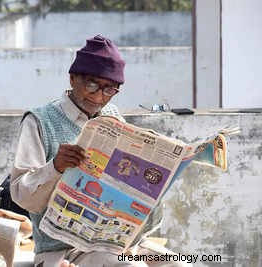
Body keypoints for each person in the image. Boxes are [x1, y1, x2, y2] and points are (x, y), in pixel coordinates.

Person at [10, 35, 192, 267]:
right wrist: (55, 166)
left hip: (117, 243)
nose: (98, 96)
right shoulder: (39, 121)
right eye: (92, 85)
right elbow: (22, 196)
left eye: (109, 90)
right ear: (73, 78)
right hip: (63, 250)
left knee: (182, 264)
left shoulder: (112, 117)